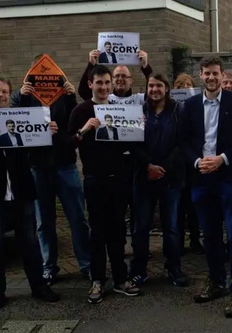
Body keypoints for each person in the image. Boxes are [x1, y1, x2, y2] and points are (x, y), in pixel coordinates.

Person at [0, 76, 60, 311]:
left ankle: (39, 287)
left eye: (4, 92)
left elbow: (34, 147)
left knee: (30, 243)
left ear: (9, 95)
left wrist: (47, 131)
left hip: (21, 191)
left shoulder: (20, 119)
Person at [179, 56, 232, 318]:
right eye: (206, 73)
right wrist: (199, 161)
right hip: (201, 178)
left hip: (229, 176)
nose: (211, 77)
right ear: (200, 75)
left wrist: (222, 159)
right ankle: (216, 281)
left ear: (222, 75)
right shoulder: (188, 106)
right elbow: (184, 142)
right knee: (210, 235)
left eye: (215, 73)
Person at [11, 53, 90, 286]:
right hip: (37, 167)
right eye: (39, 72)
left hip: (65, 164)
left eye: (49, 73)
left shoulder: (63, 96)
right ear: (31, 72)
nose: (44, 77)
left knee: (78, 218)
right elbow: (13, 125)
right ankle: (49, 267)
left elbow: (74, 124)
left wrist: (72, 96)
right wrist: (21, 97)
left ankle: (86, 265)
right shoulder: (22, 96)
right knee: (44, 222)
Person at [68, 65, 141, 304]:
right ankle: (97, 280)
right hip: (94, 181)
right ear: (90, 84)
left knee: (118, 232)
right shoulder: (81, 110)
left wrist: (138, 126)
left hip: (119, 180)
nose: (104, 87)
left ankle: (120, 279)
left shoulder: (120, 109)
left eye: (107, 83)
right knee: (97, 233)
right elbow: (68, 144)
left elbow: (131, 144)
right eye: (99, 83)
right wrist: (84, 130)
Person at [78, 49, 153, 258]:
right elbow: (85, 91)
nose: (120, 79)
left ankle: (139, 252)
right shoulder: (106, 99)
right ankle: (117, 253)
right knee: (112, 218)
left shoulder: (139, 99)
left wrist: (145, 67)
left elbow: (156, 89)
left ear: (130, 80)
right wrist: (90, 65)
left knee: (136, 212)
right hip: (112, 166)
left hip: (135, 163)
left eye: (124, 76)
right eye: (116, 76)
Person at [129, 73, 188, 287]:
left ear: (167, 88)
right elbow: (132, 143)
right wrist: (148, 166)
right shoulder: (138, 111)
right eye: (151, 86)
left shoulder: (178, 110)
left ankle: (173, 268)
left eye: (158, 86)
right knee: (141, 227)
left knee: (171, 227)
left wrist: (163, 167)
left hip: (171, 178)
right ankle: (138, 270)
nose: (154, 89)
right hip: (144, 177)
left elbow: (183, 142)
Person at [173, 74, 204, 255]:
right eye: (181, 85)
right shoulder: (172, 107)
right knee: (179, 205)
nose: (185, 87)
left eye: (188, 85)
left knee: (193, 205)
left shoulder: (197, 107)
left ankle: (194, 239)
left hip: (193, 161)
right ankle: (178, 241)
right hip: (176, 163)